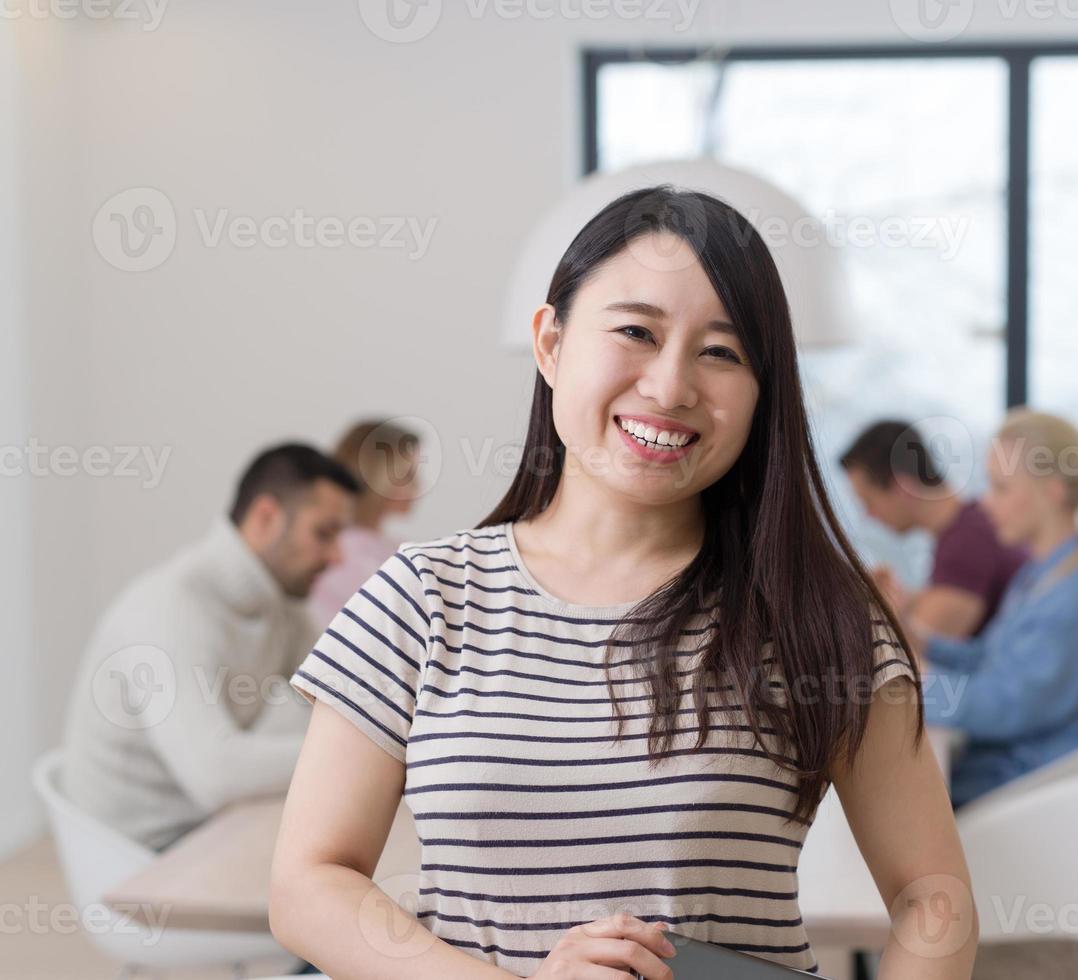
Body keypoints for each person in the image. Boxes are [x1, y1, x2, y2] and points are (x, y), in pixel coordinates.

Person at [268, 187, 978, 979]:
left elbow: (932, 896)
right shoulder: (423, 597)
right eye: (636, 331)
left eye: (722, 351)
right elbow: (308, 884)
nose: (671, 387)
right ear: (551, 342)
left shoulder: (819, 613)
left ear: (761, 393)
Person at [61, 444, 358, 850]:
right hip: (143, 860)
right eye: (324, 533)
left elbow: (345, 695)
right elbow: (216, 775)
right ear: (266, 517)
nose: (337, 556)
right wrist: (352, 754)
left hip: (210, 830)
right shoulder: (168, 607)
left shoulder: (282, 601)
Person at [908, 409, 1078, 810]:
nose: (985, 503)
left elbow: (1007, 706)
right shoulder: (1041, 576)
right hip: (1002, 776)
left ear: (1053, 492)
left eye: (1000, 488)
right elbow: (994, 661)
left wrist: (911, 691)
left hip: (1024, 795)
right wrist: (921, 643)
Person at [841, 419, 1027, 639]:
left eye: (868, 502)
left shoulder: (966, 543)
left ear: (902, 486)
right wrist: (895, 598)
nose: (868, 516)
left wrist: (875, 605)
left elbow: (915, 651)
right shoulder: (968, 527)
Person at [307, 419, 421, 628]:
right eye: (407, 475)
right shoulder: (338, 554)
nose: (419, 485)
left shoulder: (400, 549)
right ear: (377, 474)